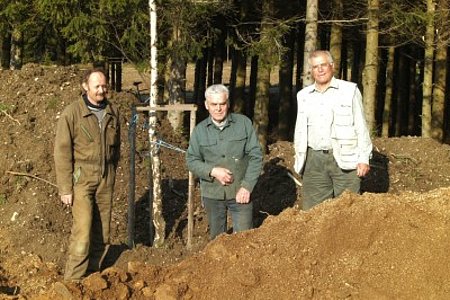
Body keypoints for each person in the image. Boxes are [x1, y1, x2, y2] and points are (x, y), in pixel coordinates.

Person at [54, 68, 120, 282]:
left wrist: (111, 172)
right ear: (85, 87)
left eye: (104, 86)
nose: (102, 90)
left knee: (103, 231)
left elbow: (116, 147)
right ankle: (72, 281)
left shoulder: (112, 111)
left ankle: (92, 276)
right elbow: (62, 152)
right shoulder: (72, 113)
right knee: (82, 230)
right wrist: (65, 188)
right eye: (97, 86)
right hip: (82, 178)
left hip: (105, 177)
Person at [294, 50, 372, 210]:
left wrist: (364, 158)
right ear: (311, 71)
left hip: (345, 159)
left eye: (323, 65)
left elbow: (361, 126)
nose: (320, 70)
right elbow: (300, 131)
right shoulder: (303, 96)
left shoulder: (349, 91)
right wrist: (300, 159)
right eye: (316, 67)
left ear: (332, 66)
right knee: (313, 214)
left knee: (346, 212)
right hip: (314, 161)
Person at [186, 84, 263, 240]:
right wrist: (213, 171)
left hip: (240, 193)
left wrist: (247, 187)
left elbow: (256, 156)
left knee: (244, 239)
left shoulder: (243, 124)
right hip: (212, 194)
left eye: (222, 104)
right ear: (207, 105)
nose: (218, 108)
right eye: (214, 104)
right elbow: (191, 160)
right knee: (217, 243)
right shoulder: (200, 131)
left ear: (227, 103)